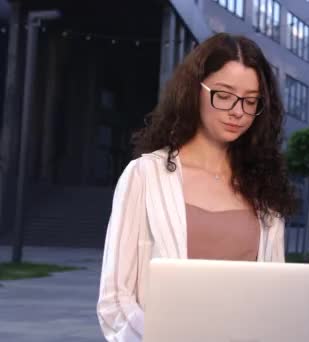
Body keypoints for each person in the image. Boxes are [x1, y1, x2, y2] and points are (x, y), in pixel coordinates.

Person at [96, 33, 296, 342]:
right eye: (224, 94)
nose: (237, 111)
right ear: (195, 91)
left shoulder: (263, 188)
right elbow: (115, 301)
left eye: (251, 100)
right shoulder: (146, 176)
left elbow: (276, 299)